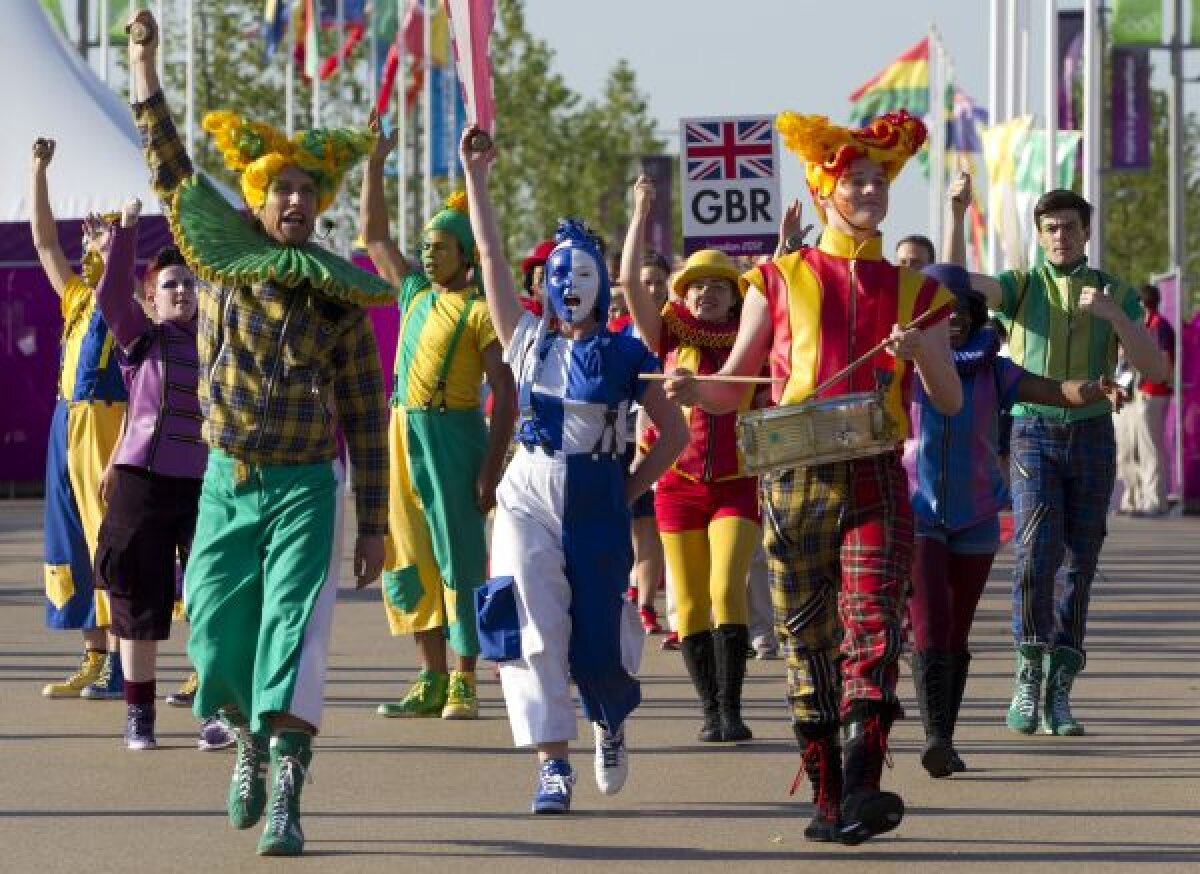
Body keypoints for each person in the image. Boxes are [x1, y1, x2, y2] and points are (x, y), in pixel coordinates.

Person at [129, 10, 390, 856]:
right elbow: (169, 162)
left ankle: (287, 784)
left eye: (310, 192)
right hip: (228, 477)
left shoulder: (337, 296)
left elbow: (364, 412)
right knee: (212, 627)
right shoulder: (214, 256)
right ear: (258, 195)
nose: (297, 202)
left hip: (308, 484)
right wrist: (144, 62)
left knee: (294, 634)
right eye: (284, 188)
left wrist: (378, 524)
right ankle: (243, 741)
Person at [667, 109, 961, 844]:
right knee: (806, 637)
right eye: (854, 180)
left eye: (877, 180)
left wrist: (921, 349)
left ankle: (863, 784)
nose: (867, 190)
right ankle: (826, 797)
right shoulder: (777, 274)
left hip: (874, 475)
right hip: (792, 476)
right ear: (826, 191)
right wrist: (689, 390)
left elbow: (949, 398)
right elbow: (736, 386)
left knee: (872, 628)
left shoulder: (917, 290)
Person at [462, 126, 688, 815]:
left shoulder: (624, 354)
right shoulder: (524, 338)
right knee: (529, 620)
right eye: (559, 272)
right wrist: (477, 176)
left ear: (599, 286)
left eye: (581, 272)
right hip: (526, 490)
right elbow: (490, 253)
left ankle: (609, 720)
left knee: (597, 628)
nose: (567, 284)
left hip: (596, 495)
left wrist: (626, 489)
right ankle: (550, 762)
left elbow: (674, 433)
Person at [968, 189, 1168, 737]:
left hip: (1093, 434)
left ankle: (1060, 688)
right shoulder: (1021, 284)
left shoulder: (1116, 291)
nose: (1061, 235)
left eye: (1070, 226)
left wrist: (1112, 315)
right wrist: (961, 209)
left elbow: (1155, 366)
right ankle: (1028, 673)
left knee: (1080, 563)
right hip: (1033, 428)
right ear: (1039, 234)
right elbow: (962, 284)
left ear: (1086, 232)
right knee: (1035, 553)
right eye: (1051, 227)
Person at [909, 262, 1122, 777]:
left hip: (978, 515)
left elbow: (1054, 391)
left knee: (956, 632)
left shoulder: (995, 370)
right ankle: (935, 734)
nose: (953, 320)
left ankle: (947, 735)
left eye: (962, 310)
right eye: (942, 313)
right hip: (917, 511)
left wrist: (1096, 388)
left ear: (976, 314)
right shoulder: (903, 367)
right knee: (930, 620)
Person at [359, 116, 516, 722]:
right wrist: (376, 162)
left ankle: (466, 680)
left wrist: (491, 469)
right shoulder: (413, 294)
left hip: (453, 436)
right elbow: (374, 237)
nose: (427, 253)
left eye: (439, 245)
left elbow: (503, 391)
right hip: (402, 433)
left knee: (460, 559)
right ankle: (429, 676)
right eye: (424, 245)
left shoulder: (479, 311)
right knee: (409, 555)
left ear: (463, 255)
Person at [623, 178, 763, 744]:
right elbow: (632, 284)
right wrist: (640, 214)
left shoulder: (751, 340)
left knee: (727, 590)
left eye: (719, 286)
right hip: (677, 486)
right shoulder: (664, 334)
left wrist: (783, 248)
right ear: (684, 293)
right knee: (687, 602)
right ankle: (711, 712)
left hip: (736, 485)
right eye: (698, 284)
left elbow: (775, 291)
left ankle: (732, 710)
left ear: (735, 297)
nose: (708, 293)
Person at [91, 199, 207, 750]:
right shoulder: (143, 338)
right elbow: (110, 296)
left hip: (208, 487)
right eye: (170, 286)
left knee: (215, 595)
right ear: (151, 298)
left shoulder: (219, 344)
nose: (182, 292)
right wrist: (127, 232)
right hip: (144, 484)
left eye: (188, 283)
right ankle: (139, 714)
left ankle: (217, 705)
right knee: (137, 599)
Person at [30, 138, 129, 701]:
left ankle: (120, 660)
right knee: (68, 540)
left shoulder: (123, 303)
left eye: (100, 234)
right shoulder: (75, 297)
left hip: (103, 426)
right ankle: (93, 656)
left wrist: (116, 239)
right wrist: (37, 170)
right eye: (89, 233)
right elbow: (44, 241)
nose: (87, 239)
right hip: (63, 424)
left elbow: (113, 267)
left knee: (104, 539)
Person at [1115, 284, 1175, 516]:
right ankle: (1133, 499)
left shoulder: (1159, 326)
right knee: (1130, 449)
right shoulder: (1144, 326)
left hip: (1152, 392)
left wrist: (1162, 382)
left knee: (1150, 449)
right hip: (1135, 392)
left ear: (1142, 304)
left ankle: (1154, 500)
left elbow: (1164, 363)